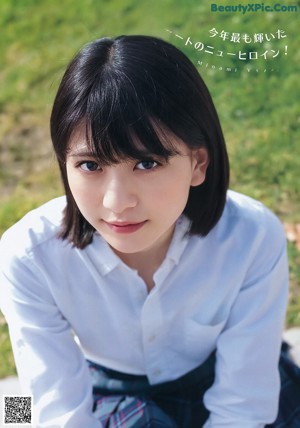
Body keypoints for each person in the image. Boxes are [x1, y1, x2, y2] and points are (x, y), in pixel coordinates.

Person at [0, 35, 299, 428]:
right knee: (16, 414)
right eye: (91, 165)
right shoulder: (26, 255)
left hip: (222, 373)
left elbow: (244, 403)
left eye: (146, 163)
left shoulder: (252, 236)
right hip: (103, 388)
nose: (117, 202)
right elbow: (59, 411)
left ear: (198, 162)